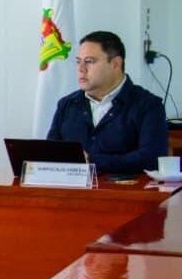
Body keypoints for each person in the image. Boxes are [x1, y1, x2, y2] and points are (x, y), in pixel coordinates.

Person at [47, 30, 167, 173]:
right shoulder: (67, 105)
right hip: (71, 192)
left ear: (115, 64)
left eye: (89, 61)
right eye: (78, 62)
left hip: (125, 193)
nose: (81, 69)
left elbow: (151, 159)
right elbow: (51, 154)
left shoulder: (148, 105)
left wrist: (93, 161)